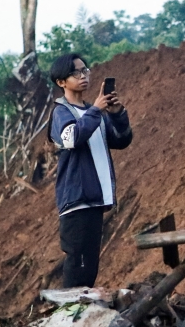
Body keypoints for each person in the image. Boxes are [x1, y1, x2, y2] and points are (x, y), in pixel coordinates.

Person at [48, 53, 133, 287]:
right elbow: (73, 138)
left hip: (94, 199)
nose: (83, 76)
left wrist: (116, 114)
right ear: (61, 82)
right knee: (78, 263)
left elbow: (122, 140)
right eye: (76, 73)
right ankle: (68, 314)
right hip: (76, 199)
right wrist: (96, 110)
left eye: (85, 70)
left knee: (90, 265)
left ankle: (77, 312)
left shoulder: (93, 112)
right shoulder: (61, 112)